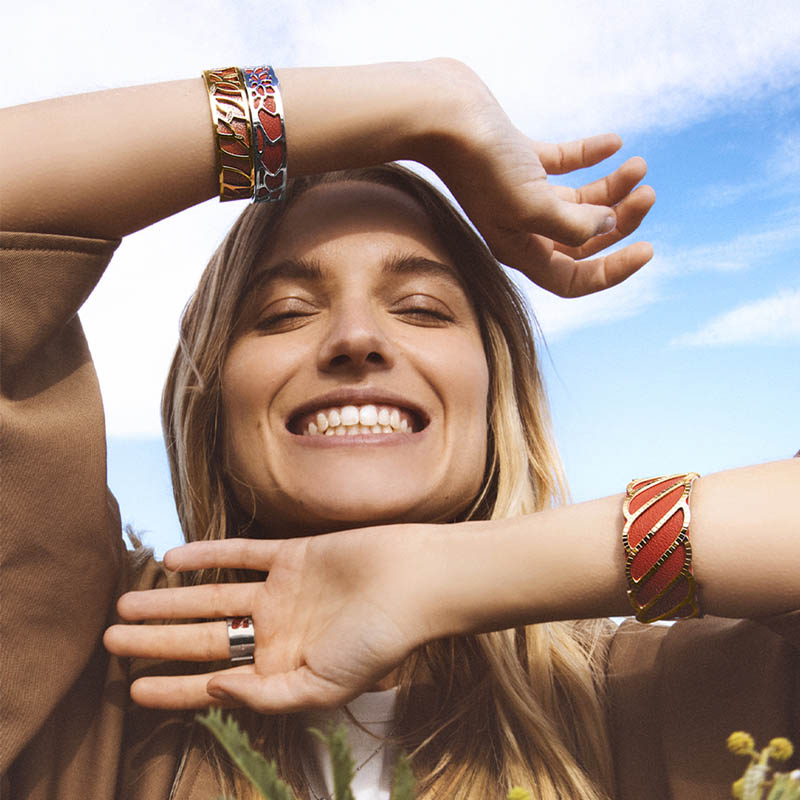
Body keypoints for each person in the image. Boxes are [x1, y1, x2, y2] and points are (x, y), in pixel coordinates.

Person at [1, 59, 797, 800]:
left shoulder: (649, 691)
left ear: (496, 392)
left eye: (421, 308)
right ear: (212, 403)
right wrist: (427, 104)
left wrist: (441, 580)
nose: (356, 338)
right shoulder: (98, 676)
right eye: (285, 312)